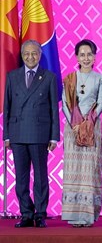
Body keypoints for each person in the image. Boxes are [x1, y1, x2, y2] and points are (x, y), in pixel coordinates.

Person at [3, 39, 59, 228]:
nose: (30, 57)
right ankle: (26, 213)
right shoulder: (12, 76)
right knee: (21, 179)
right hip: (18, 134)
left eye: (34, 53)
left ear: (40, 54)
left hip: (40, 134)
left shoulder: (49, 77)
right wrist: (7, 136)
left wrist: (53, 136)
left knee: (41, 177)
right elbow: (7, 107)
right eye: (26, 53)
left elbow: (53, 109)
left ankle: (40, 214)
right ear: (22, 55)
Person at [61, 39, 102, 227]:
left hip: (92, 129)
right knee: (74, 170)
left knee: (90, 171)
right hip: (73, 129)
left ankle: (88, 215)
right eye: (82, 54)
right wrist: (75, 123)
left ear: (94, 56)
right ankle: (73, 215)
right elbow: (64, 103)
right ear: (76, 57)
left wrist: (88, 122)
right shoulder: (70, 78)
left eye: (89, 54)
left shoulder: (100, 78)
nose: (86, 58)